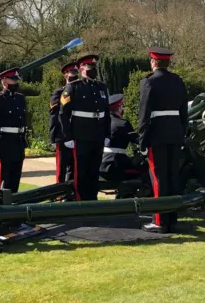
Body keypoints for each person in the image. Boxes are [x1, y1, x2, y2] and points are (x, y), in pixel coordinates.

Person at [138, 47, 188, 233]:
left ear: (154, 62)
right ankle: (172, 219)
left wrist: (143, 141)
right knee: (172, 176)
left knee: (158, 178)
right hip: (175, 134)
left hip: (157, 135)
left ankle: (159, 221)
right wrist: (181, 133)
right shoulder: (178, 81)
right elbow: (184, 112)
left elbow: (144, 115)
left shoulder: (149, 83)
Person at [58, 53, 111, 201]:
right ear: (81, 69)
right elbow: (63, 114)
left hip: (98, 135)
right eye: (89, 66)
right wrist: (68, 136)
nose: (93, 69)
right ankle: (80, 201)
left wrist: (107, 134)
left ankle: (92, 200)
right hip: (80, 136)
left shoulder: (102, 87)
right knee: (81, 172)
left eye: (94, 66)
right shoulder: (73, 88)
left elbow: (106, 113)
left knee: (94, 171)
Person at [0, 67, 27, 193]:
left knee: (15, 179)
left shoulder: (20, 99)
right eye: (13, 81)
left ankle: (14, 206)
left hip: (18, 143)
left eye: (16, 81)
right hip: (5, 144)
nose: (15, 84)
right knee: (3, 182)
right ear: (4, 82)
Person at [49, 60, 79, 184]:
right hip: (62, 136)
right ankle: (59, 195)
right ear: (65, 75)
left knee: (74, 168)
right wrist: (53, 137)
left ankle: (71, 195)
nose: (75, 75)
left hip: (76, 134)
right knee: (61, 168)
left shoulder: (80, 91)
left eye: (76, 72)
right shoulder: (59, 93)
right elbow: (54, 116)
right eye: (72, 73)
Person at [99, 94, 141, 182]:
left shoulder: (100, 123)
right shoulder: (122, 124)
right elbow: (138, 140)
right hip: (116, 165)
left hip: (100, 164)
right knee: (143, 170)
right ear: (119, 108)